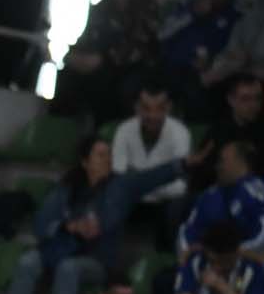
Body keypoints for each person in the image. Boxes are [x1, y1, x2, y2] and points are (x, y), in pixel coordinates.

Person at [5, 135, 194, 294]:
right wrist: (68, 226)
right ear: (85, 161)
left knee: (68, 268)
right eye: (101, 155)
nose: (108, 159)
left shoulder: (121, 185)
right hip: (58, 249)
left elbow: (152, 177)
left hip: (97, 258)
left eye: (109, 154)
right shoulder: (67, 187)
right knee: (27, 262)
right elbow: (41, 225)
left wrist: (183, 164)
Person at [52, 0, 159, 123]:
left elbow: (137, 48)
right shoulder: (100, 9)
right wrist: (71, 56)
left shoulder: (147, 11)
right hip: (95, 63)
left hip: (129, 69)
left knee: (105, 81)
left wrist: (102, 60)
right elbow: (85, 40)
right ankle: (60, 128)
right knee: (68, 74)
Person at [110, 80, 191, 248]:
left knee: (178, 203)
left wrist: (137, 181)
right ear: (137, 108)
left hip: (164, 204)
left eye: (159, 108)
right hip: (130, 201)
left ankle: (165, 259)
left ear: (168, 108)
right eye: (146, 108)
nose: (153, 115)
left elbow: (180, 186)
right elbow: (119, 177)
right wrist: (160, 178)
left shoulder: (180, 133)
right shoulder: (124, 130)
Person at [158, 0, 241, 117]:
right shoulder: (186, 5)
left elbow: (235, 51)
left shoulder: (235, 16)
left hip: (209, 74)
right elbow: (162, 34)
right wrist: (191, 14)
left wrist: (211, 63)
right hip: (171, 67)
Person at [171, 219, 264, 294]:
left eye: (223, 262)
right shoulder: (196, 262)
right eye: (212, 261)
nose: (216, 267)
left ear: (236, 253)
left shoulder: (254, 270)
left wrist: (220, 286)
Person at [175, 140, 264, 256]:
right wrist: (192, 258)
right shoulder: (209, 196)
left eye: (222, 161)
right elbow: (187, 233)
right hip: (207, 266)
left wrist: (227, 256)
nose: (217, 167)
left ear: (240, 163)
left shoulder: (257, 194)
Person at [188, 73, 264, 192]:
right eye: (245, 99)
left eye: (258, 98)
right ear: (230, 100)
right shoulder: (218, 132)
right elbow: (201, 176)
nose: (253, 105)